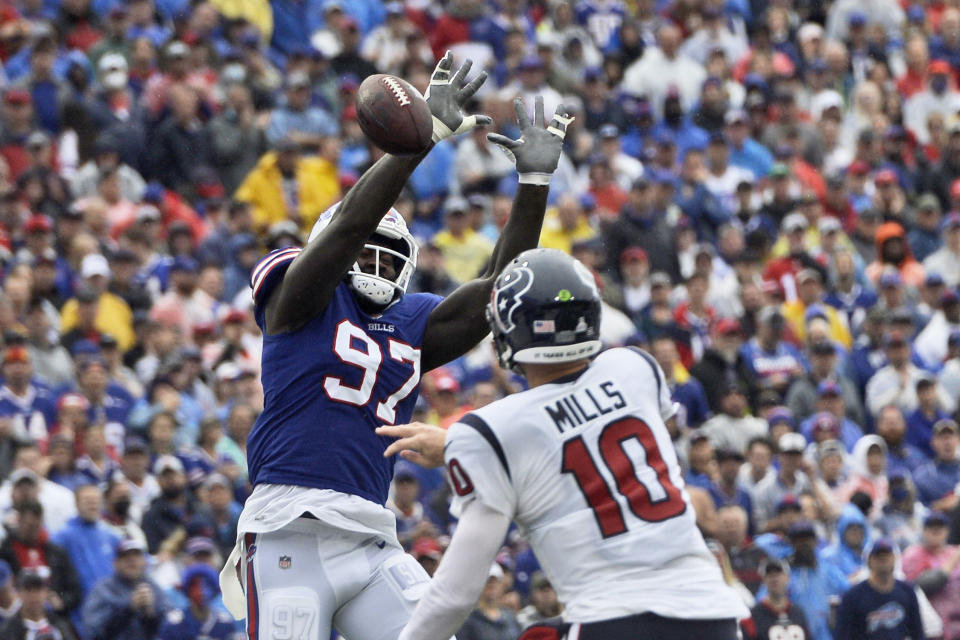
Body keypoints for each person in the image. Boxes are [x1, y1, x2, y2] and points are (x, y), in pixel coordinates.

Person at [218, 54, 572, 640]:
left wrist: (532, 187)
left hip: (374, 538)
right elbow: (351, 225)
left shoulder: (410, 320)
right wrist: (418, 142)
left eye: (391, 250)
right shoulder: (298, 297)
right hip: (291, 523)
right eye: (365, 247)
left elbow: (500, 291)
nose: (376, 259)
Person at [379, 249, 748, 640]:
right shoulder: (635, 368)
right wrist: (460, 442)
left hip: (612, 620)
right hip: (714, 614)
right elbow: (586, 434)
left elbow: (456, 593)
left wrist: (462, 442)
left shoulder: (486, 431)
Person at [835, 538, 925, 640]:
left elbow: (917, 632)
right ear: (869, 561)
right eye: (878, 556)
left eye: (887, 555)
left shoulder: (907, 591)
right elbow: (842, 634)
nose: (883, 559)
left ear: (895, 559)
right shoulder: (853, 597)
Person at [82, 538, 169, 640]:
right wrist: (129, 609)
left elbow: (171, 626)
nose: (131, 560)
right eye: (124, 556)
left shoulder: (153, 587)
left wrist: (150, 613)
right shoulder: (103, 590)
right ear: (115, 563)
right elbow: (93, 632)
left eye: (136, 555)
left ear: (144, 561)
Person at [0, 569, 78, 640]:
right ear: (18, 593)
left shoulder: (61, 623)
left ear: (46, 592)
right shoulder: (9, 630)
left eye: (37, 589)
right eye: (28, 590)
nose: (33, 595)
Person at [744, 558, 811, 640]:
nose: (774, 579)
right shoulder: (753, 616)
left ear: (787, 577)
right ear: (764, 579)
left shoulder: (798, 613)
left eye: (778, 574)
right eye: (770, 575)